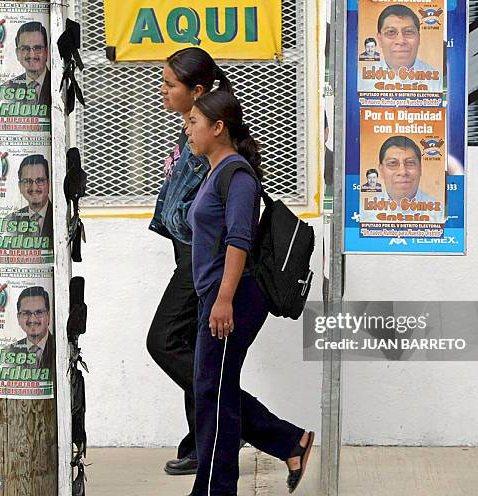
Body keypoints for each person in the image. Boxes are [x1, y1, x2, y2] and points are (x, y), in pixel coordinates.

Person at [186, 91, 314, 496]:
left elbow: (239, 241)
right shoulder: (214, 170)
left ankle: (216, 490)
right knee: (211, 391)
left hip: (234, 296)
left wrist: (223, 300)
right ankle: (279, 448)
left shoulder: (237, 176)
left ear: (218, 128)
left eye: (193, 122)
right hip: (218, 294)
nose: (187, 129)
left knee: (215, 395)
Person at [146, 47, 233, 476]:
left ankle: (234, 413)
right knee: (188, 345)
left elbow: (195, 211)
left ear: (196, 91)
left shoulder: (207, 140)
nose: (162, 91)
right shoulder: (190, 132)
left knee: (162, 341)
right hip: (188, 253)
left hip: (201, 259)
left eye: (170, 85)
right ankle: (202, 445)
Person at [360, 136, 443, 223]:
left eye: (410, 163)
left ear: (420, 169)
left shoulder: (439, 213)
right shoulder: (364, 213)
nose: (403, 172)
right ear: (381, 170)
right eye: (392, 163)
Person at [7, 286, 54, 370]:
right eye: (26, 313)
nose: (32, 319)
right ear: (18, 318)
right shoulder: (9, 351)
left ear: (48, 315)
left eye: (39, 312)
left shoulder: (60, 346)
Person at [6, 21, 51, 106]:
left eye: (37, 48)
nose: (32, 55)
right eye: (25, 48)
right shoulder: (8, 88)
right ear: (17, 53)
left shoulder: (57, 84)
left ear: (46, 51)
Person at [8, 154, 53, 238]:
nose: (34, 188)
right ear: (20, 186)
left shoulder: (58, 216)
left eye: (39, 180)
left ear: (49, 184)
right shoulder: (10, 220)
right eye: (27, 181)